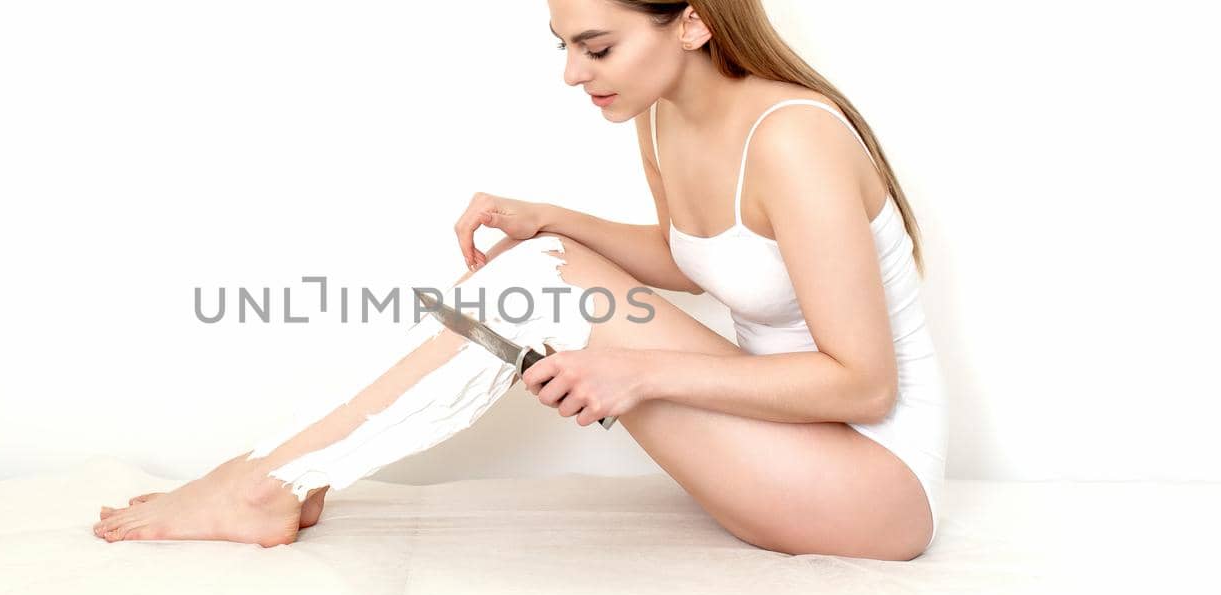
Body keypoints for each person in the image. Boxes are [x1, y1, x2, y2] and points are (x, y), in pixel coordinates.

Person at [94, 0, 946, 562]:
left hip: (873, 489)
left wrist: (636, 372)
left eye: (597, 46)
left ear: (690, 23)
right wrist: (552, 217)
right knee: (531, 267)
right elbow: (701, 257)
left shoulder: (794, 140)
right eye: (566, 47)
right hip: (783, 460)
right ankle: (287, 476)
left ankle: (264, 484)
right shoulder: (662, 119)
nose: (574, 73)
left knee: (537, 284)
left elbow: (863, 386)